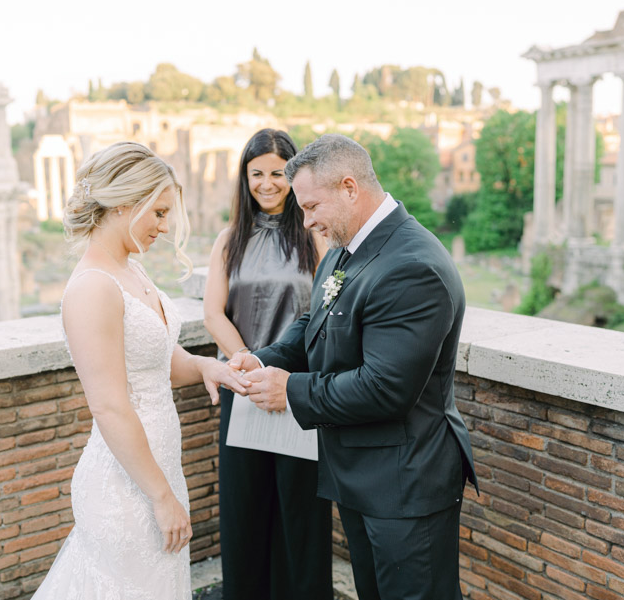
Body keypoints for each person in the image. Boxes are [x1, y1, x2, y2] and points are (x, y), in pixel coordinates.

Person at [230, 134, 479, 600]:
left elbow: (385, 388)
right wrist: (265, 359)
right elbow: (313, 324)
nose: (306, 222)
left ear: (349, 187)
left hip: (406, 481)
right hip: (360, 474)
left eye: (311, 206)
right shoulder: (347, 248)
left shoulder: (412, 266)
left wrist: (289, 390)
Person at [32, 141, 249, 600]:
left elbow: (158, 361)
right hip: (127, 486)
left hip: (157, 469)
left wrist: (212, 366)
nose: (165, 227)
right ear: (123, 204)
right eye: (158, 212)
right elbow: (111, 407)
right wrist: (161, 496)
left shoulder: (130, 269)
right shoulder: (93, 288)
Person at [203, 128, 333, 600]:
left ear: (294, 175)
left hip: (296, 389)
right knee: (246, 507)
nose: (267, 183)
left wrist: (276, 371)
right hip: (242, 386)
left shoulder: (314, 235)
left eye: (277, 173)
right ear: (245, 177)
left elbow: (321, 312)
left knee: (299, 510)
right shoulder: (227, 240)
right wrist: (245, 363)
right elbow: (213, 313)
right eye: (256, 173)